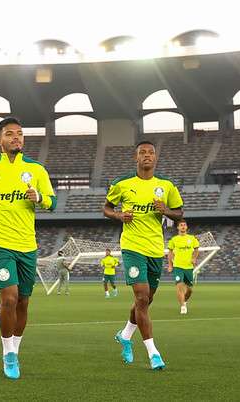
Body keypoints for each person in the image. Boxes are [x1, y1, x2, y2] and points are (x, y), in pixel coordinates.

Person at [0, 117, 56, 379]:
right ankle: (8, 353)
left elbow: (51, 201)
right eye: (9, 134)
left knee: (24, 302)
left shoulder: (37, 170)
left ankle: (15, 346)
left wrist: (38, 198)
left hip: (27, 244)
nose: (16, 137)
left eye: (19, 133)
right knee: (9, 297)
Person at [104, 140, 183, 371]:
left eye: (151, 152)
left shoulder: (166, 186)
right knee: (141, 297)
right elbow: (107, 208)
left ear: (155, 158)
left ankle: (125, 335)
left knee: (146, 300)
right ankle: (153, 353)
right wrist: (119, 216)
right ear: (135, 158)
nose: (147, 155)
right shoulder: (123, 183)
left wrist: (165, 211)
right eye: (142, 152)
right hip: (132, 247)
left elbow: (179, 213)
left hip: (155, 249)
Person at [166, 220, 199, 314]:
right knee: (179, 285)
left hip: (189, 267)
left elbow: (196, 249)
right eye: (181, 225)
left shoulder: (192, 238)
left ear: (187, 227)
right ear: (178, 227)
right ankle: (183, 306)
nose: (183, 226)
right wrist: (170, 265)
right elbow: (170, 253)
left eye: (184, 225)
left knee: (189, 290)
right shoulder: (174, 239)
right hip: (178, 266)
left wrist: (194, 258)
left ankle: (184, 301)